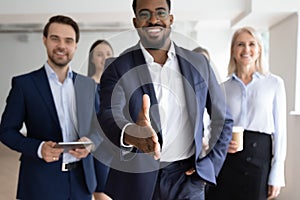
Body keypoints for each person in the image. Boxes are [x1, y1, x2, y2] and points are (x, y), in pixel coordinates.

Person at [98, 0, 233, 199]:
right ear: (135, 22)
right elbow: (108, 114)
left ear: (170, 19)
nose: (153, 19)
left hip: (187, 180)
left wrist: (209, 166)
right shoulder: (118, 67)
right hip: (136, 182)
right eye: (144, 14)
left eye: (160, 12)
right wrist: (131, 133)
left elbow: (222, 119)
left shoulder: (199, 63)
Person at [0, 15, 101, 200]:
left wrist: (91, 142)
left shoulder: (88, 85)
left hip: (81, 184)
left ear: (76, 46)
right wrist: (38, 148)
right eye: (55, 38)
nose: (62, 46)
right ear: (45, 40)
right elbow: (6, 131)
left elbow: (100, 127)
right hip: (40, 184)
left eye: (68, 40)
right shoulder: (24, 85)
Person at [206, 26, 287, 200]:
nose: (246, 49)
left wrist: (277, 174)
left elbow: (281, 133)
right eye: (240, 44)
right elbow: (215, 127)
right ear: (233, 51)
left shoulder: (274, 84)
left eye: (252, 44)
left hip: (260, 161)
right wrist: (221, 143)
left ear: (259, 50)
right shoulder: (223, 88)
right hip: (227, 161)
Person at [87, 39, 113, 200]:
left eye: (108, 54)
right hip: (97, 149)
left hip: (118, 150)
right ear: (92, 58)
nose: (104, 58)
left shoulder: (119, 86)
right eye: (99, 55)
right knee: (102, 193)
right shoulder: (84, 86)